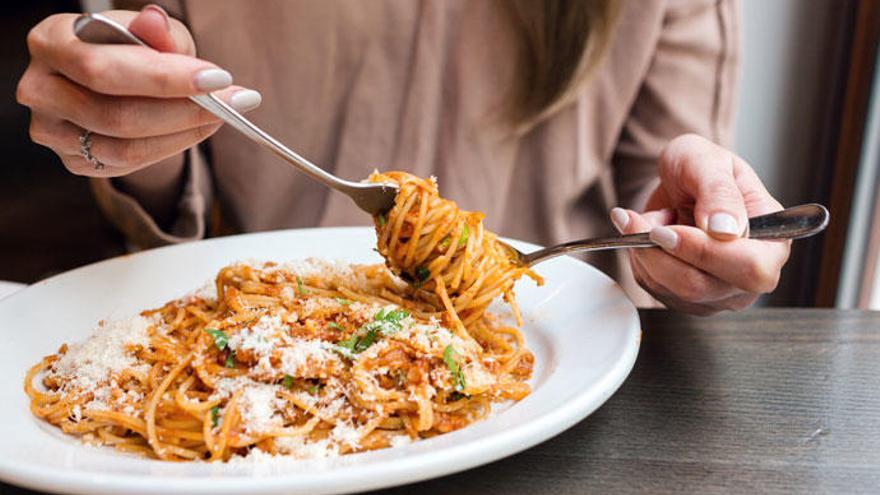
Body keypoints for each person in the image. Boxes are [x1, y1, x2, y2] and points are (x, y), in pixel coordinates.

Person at [16, 0, 790, 315]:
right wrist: (124, 122)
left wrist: (695, 251)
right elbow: (159, 181)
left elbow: (664, 206)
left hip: (549, 365)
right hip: (264, 338)